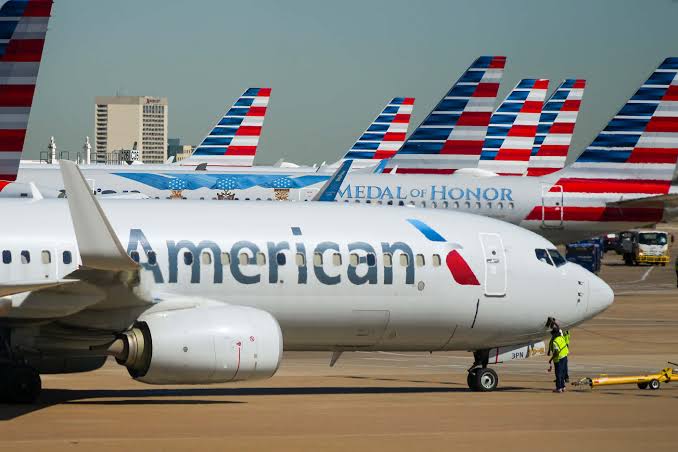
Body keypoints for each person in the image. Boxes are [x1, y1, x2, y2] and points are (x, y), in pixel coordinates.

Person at [548, 326, 569, 393]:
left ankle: (559, 388)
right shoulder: (561, 337)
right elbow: (559, 328)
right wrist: (554, 322)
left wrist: (551, 359)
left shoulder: (555, 342)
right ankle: (563, 387)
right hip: (565, 356)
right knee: (562, 372)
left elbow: (556, 353)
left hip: (558, 359)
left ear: (554, 334)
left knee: (558, 374)